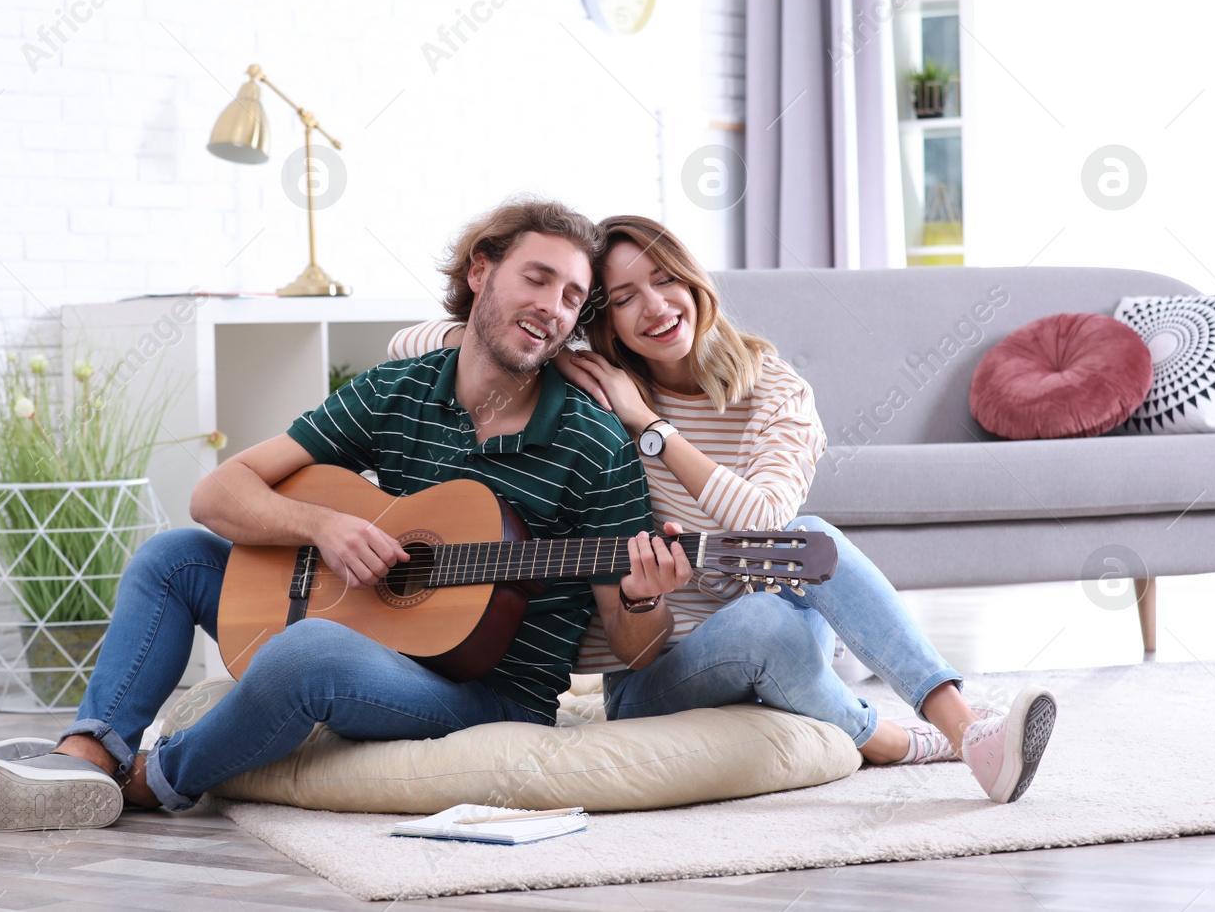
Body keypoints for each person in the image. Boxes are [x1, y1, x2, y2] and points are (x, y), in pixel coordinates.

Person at [0, 198, 690, 832]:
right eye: (537, 278)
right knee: (172, 557)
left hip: (487, 691)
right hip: (363, 627)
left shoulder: (591, 437)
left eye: (571, 297)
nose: (552, 308)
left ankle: (153, 779)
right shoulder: (400, 388)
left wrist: (649, 594)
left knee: (312, 652)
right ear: (481, 271)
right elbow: (217, 495)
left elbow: (636, 644)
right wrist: (324, 526)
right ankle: (85, 756)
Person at [387, 215, 1058, 804]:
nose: (654, 306)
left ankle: (964, 730)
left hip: (779, 626)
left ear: (693, 279)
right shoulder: (595, 378)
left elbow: (766, 521)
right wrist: (543, 346)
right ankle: (891, 736)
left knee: (804, 546)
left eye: (664, 278)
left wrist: (650, 425)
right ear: (604, 320)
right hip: (653, 673)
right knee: (774, 620)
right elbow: (408, 344)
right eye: (623, 297)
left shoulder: (774, 391)